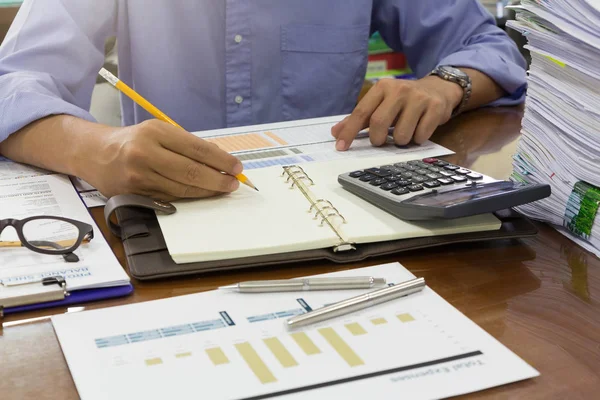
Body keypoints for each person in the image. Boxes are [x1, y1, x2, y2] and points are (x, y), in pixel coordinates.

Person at [0, 0, 526, 201]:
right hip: (164, 212)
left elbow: (490, 47)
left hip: (340, 209)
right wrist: (94, 148)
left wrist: (443, 85)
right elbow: (12, 81)